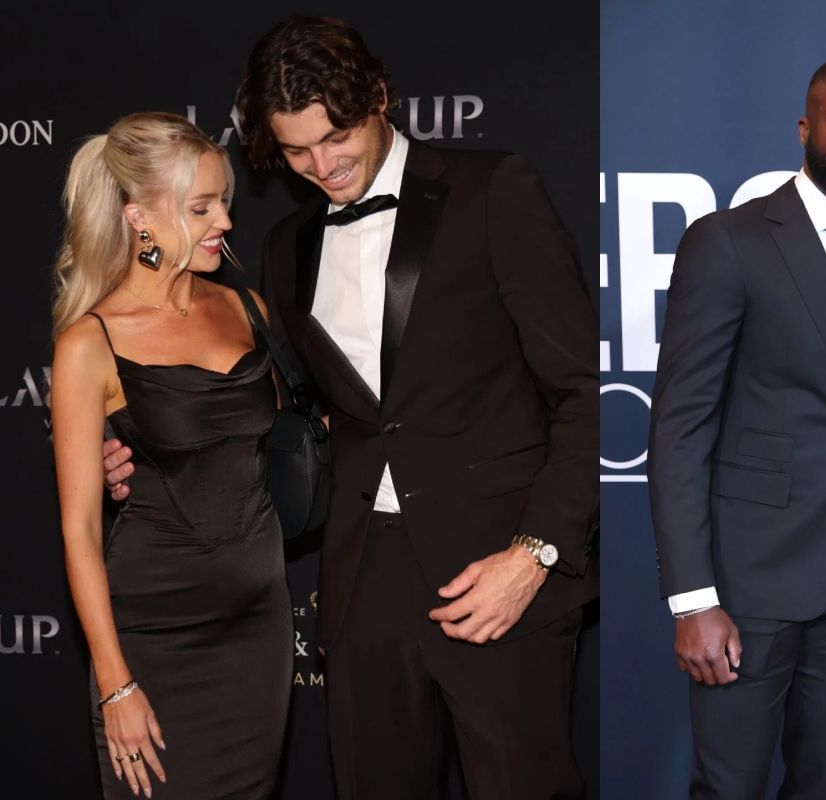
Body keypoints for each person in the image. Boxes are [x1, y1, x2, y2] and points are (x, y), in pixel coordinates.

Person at [103, 16, 598, 798]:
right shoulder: (286, 246)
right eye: (296, 152)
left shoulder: (492, 191)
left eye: (336, 137)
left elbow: (583, 393)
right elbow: (286, 414)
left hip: (498, 564)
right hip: (363, 581)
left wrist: (534, 553)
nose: (322, 166)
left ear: (379, 97)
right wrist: (149, 452)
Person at [648, 54, 826, 798]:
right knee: (728, 786)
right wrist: (693, 599)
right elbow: (680, 427)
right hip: (747, 585)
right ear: (805, 130)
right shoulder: (730, 241)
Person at [50, 112, 290, 798]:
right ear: (140, 220)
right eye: (201, 207)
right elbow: (79, 529)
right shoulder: (89, 343)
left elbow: (289, 439)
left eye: (224, 202)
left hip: (260, 627)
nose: (225, 222)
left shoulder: (247, 309)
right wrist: (115, 683)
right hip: (155, 632)